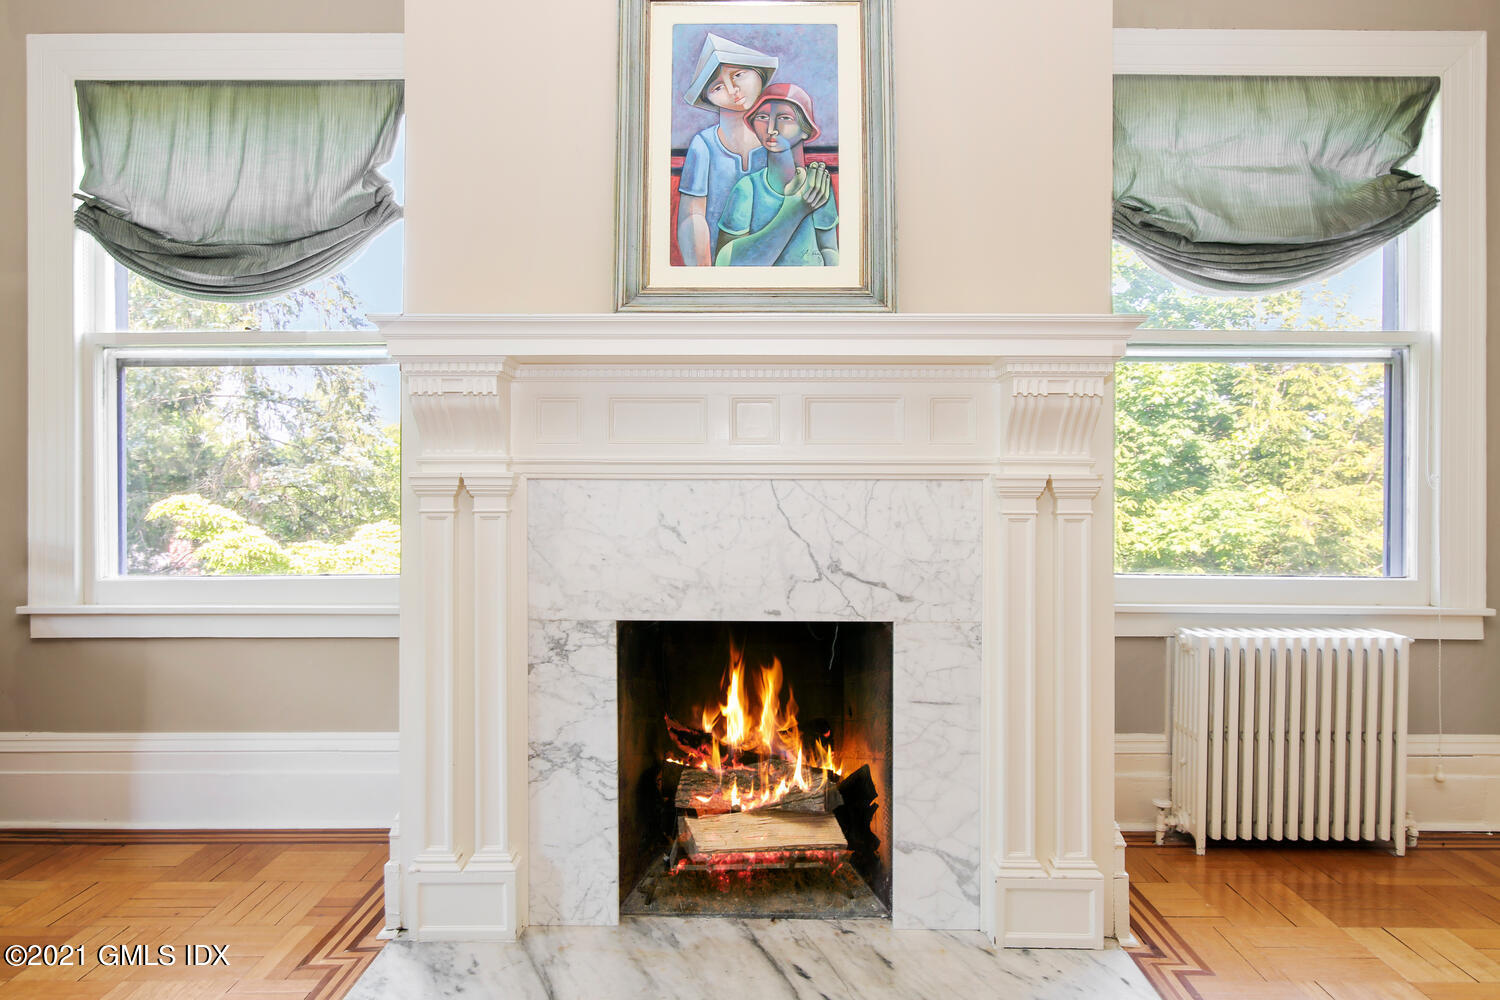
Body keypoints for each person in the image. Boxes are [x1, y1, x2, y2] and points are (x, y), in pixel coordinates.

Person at [676, 34, 778, 267]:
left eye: (739, 75)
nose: (733, 90)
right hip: (716, 261)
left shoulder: (778, 138)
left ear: (759, 73)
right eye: (718, 86)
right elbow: (692, 216)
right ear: (708, 97)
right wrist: (704, 275)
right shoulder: (703, 145)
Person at [714, 83, 838, 267]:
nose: (771, 128)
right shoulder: (748, 189)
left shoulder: (817, 183)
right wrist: (795, 210)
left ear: (806, 130)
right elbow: (726, 264)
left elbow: (829, 250)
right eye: (763, 117)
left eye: (785, 118)